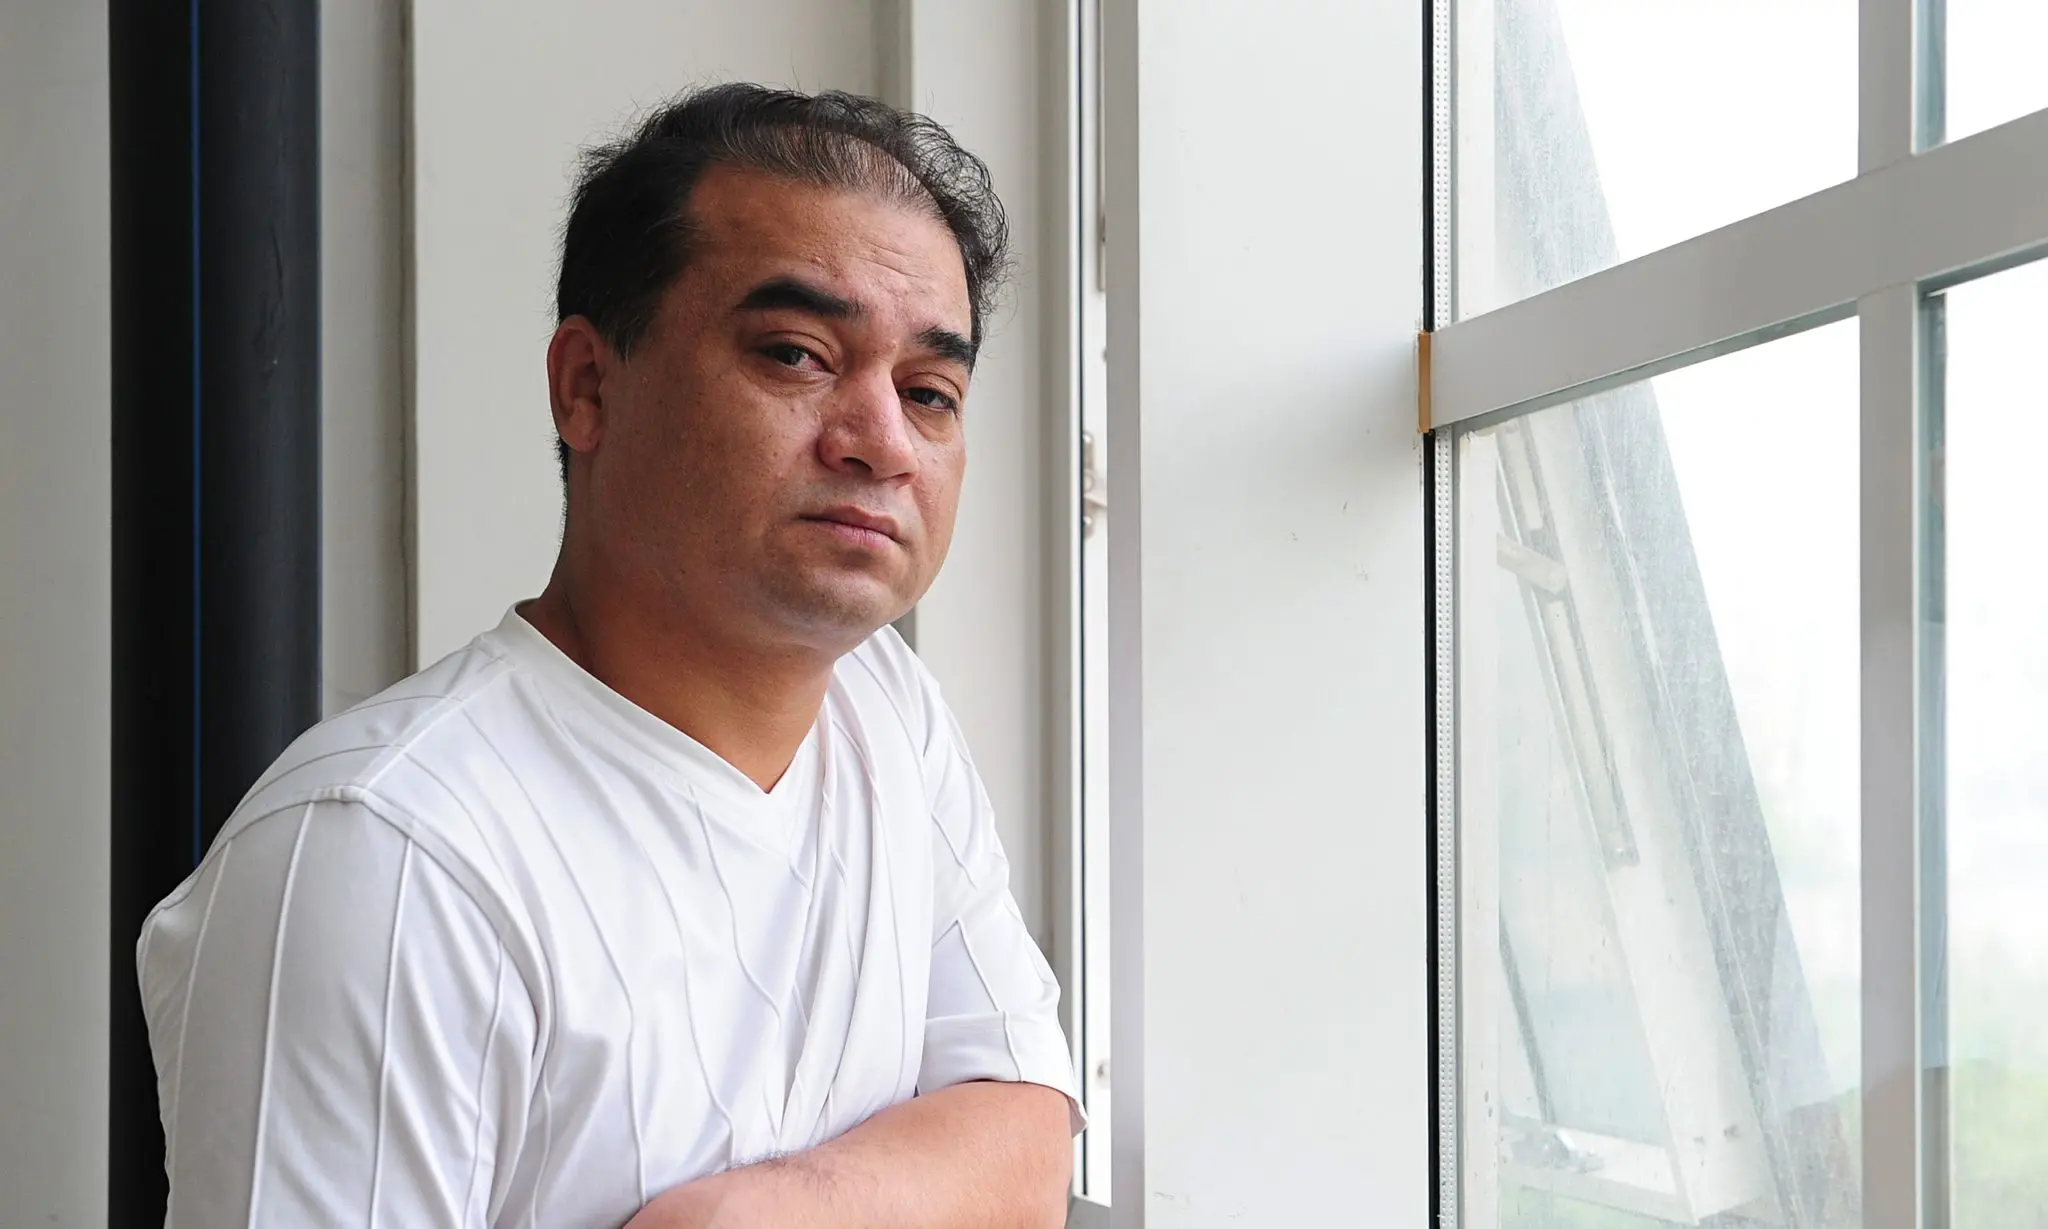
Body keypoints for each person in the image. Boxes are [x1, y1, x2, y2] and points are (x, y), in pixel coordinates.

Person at [137, 83, 1080, 1228]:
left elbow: (1025, 1134)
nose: (881, 439)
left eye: (928, 392)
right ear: (587, 386)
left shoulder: (886, 714)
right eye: (794, 354)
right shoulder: (384, 854)